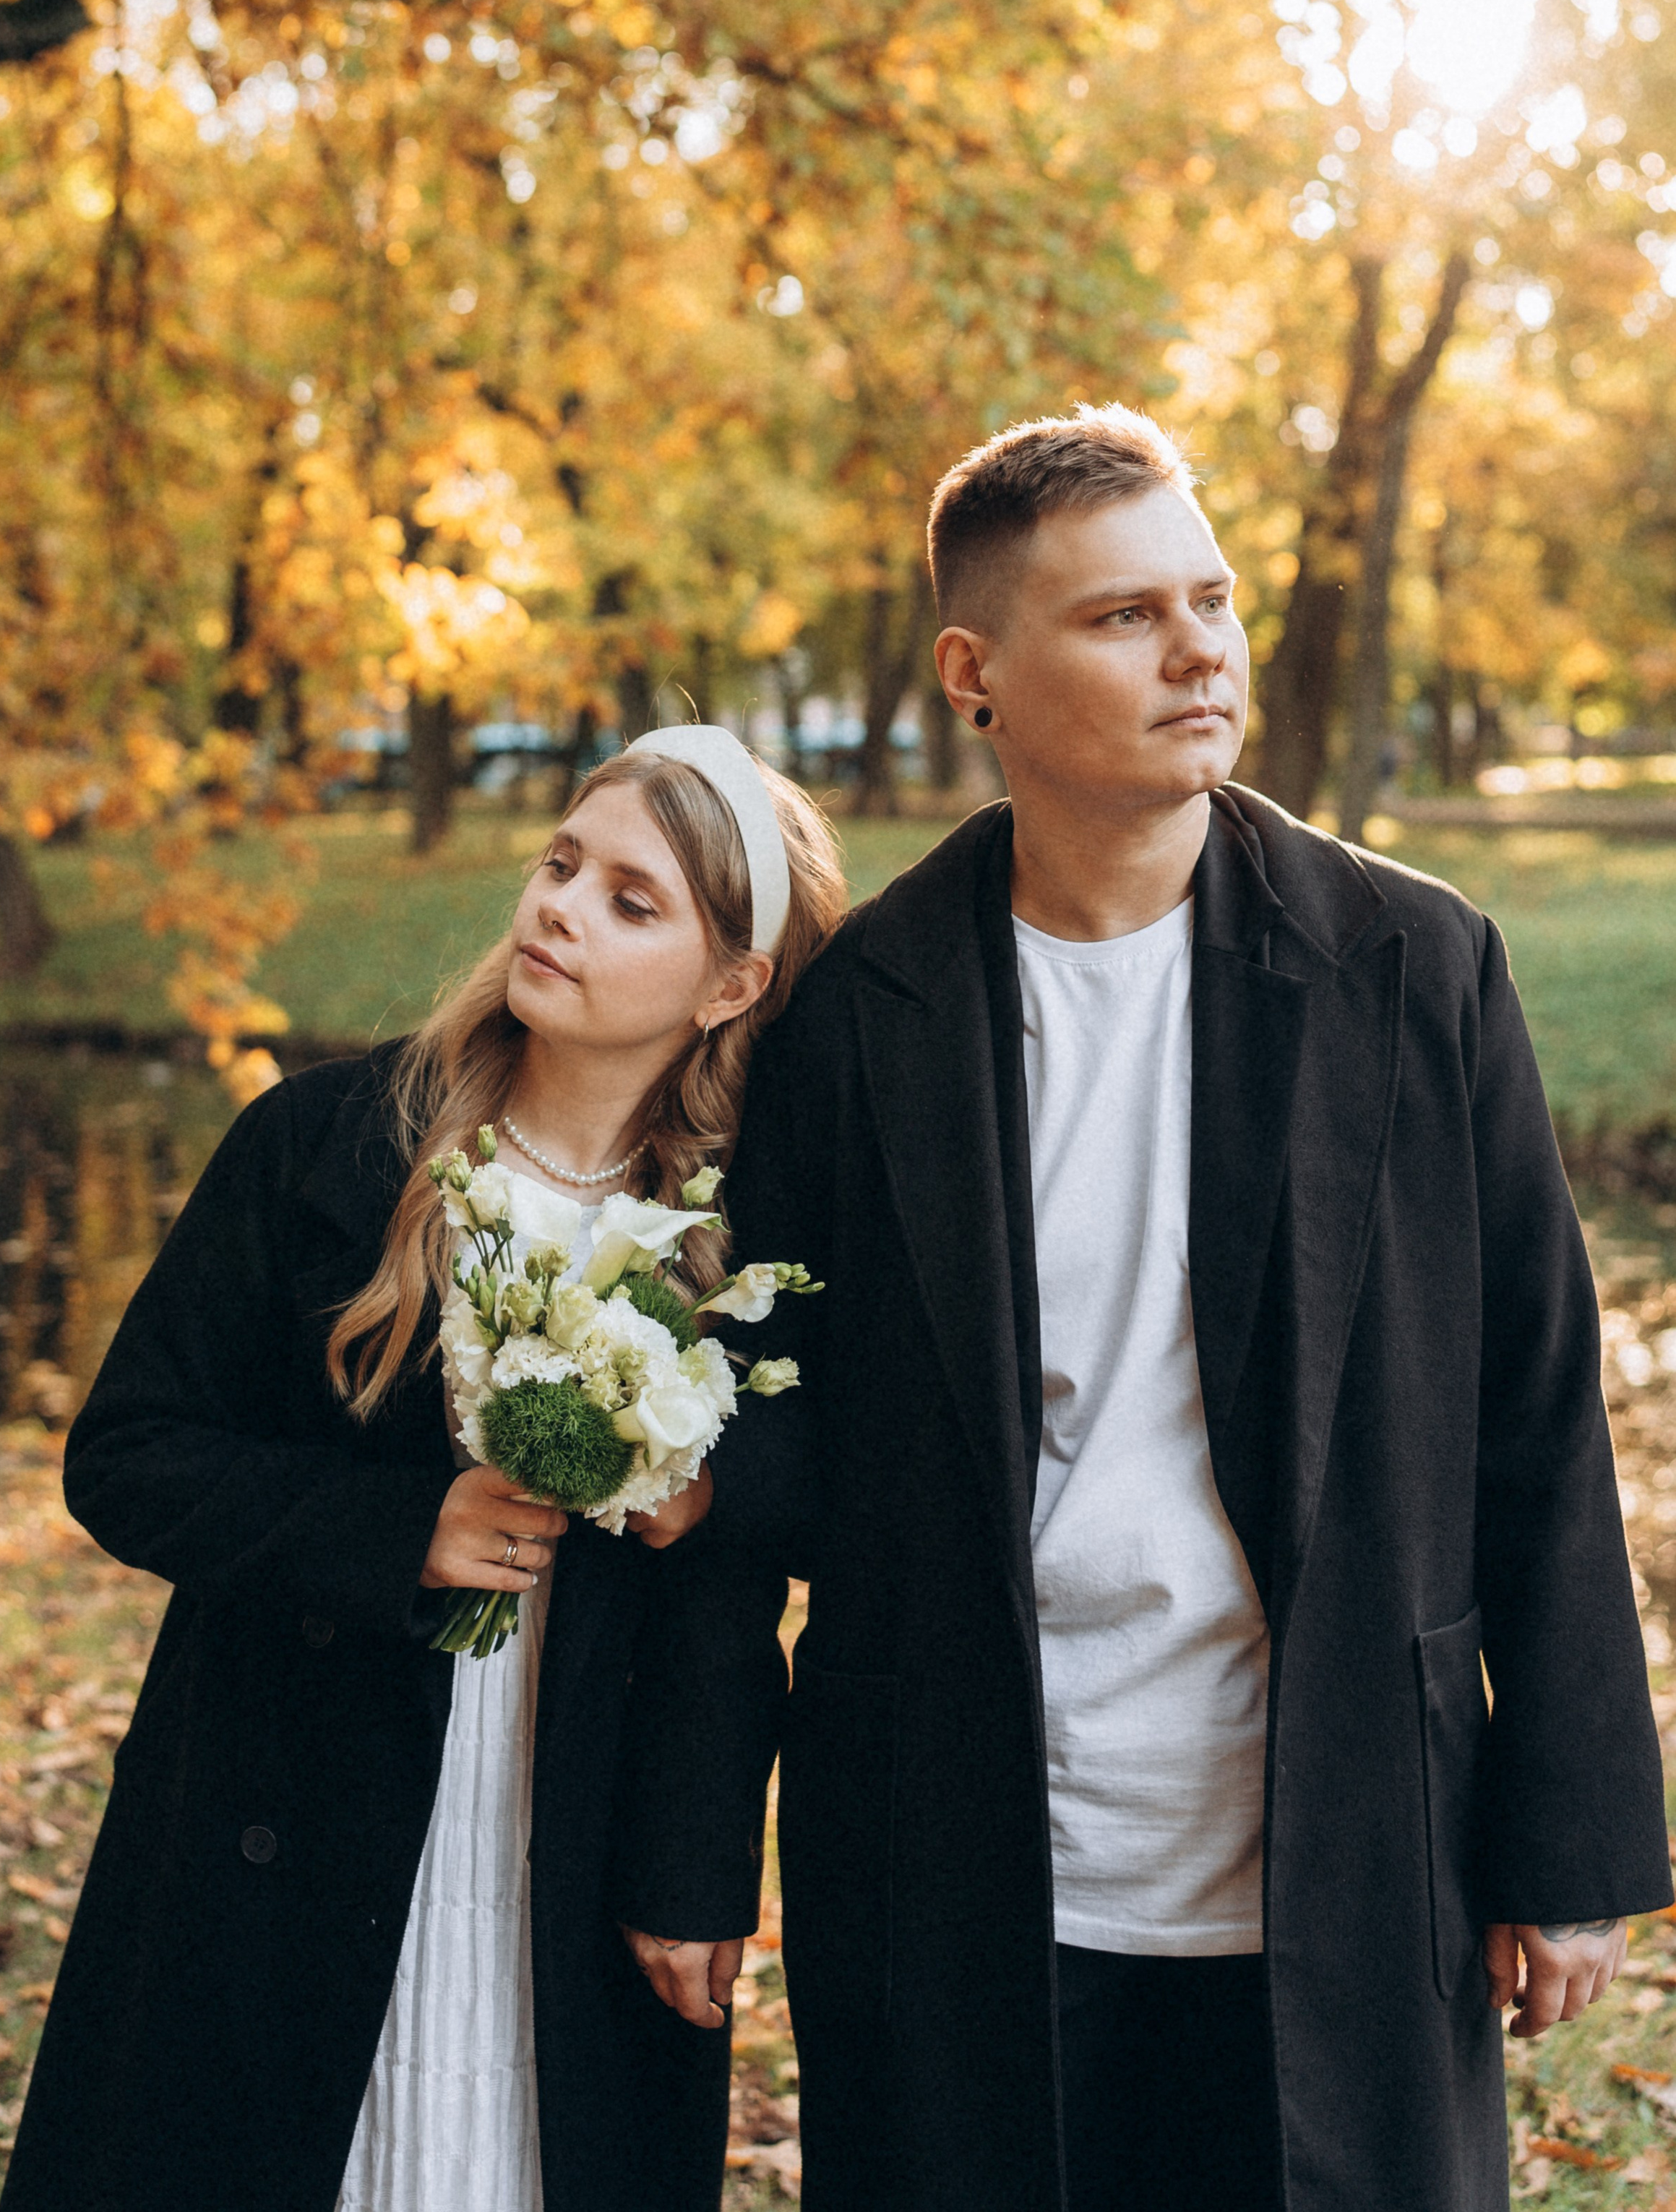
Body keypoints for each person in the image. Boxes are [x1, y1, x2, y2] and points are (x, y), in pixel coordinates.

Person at [615, 408, 1672, 2212]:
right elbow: (737, 1440)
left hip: (1347, 1835)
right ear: (975, 673)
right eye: (1121, 616)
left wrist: (1562, 1834)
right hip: (953, 1846)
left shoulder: (1413, 967)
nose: (1199, 651)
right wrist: (691, 1839)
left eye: (1213, 598)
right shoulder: (859, 1015)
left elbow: (1535, 1410)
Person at [0, 727, 845, 2212]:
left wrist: (698, 1862)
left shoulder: (744, 1246)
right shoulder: (323, 1147)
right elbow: (128, 1457)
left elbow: (753, 1577)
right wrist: (399, 1532)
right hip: (287, 1811)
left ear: (731, 986)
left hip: (574, 1840)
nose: (560, 908)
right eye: (562, 863)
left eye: (630, 902)